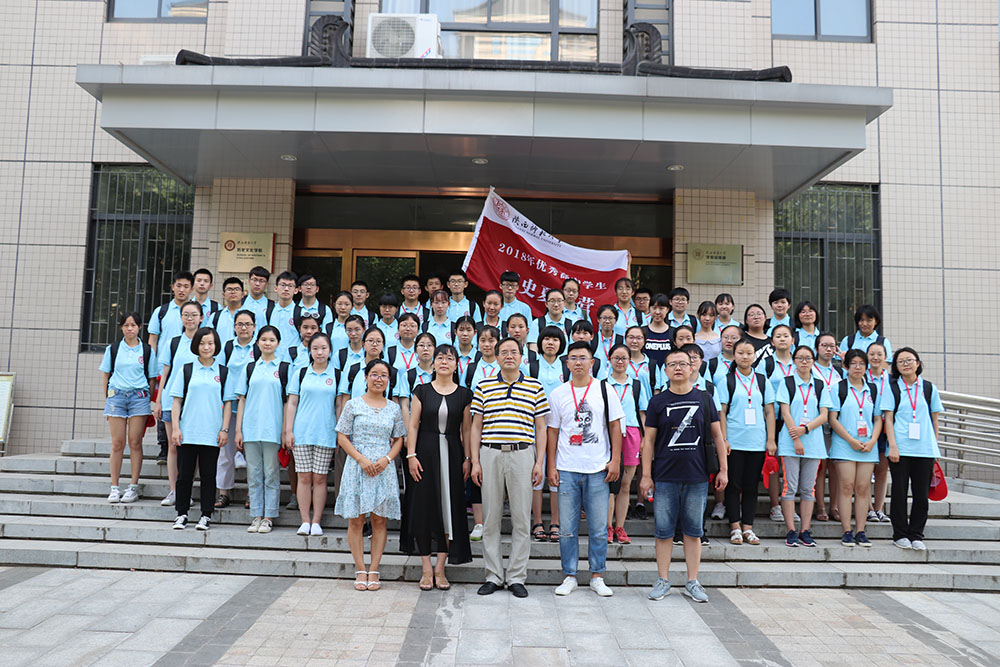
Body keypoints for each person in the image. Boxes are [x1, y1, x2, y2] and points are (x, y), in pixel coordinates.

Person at [640, 349, 727, 603]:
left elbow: (717, 436)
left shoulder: (704, 398)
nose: (677, 368)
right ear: (665, 370)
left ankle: (692, 581)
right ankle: (663, 579)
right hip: (665, 475)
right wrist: (646, 475)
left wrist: (723, 469)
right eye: (672, 364)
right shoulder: (657, 402)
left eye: (682, 363)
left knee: (693, 530)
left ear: (692, 368)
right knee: (663, 531)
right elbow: (649, 441)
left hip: (696, 475)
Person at [470, 337, 550, 598]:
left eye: (513, 352)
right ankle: (493, 575)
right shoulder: (484, 386)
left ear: (521, 356)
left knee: (521, 519)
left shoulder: (535, 387)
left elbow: (541, 427)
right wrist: (475, 461)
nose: (508, 356)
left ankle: (516, 577)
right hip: (490, 453)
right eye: (503, 352)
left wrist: (539, 461)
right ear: (496, 356)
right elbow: (476, 426)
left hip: (522, 454)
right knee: (490, 519)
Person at [547, 341, 622, 597]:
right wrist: (551, 466)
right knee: (567, 528)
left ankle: (597, 575)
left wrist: (615, 460)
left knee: (599, 527)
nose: (578, 362)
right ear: (566, 363)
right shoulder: (558, 394)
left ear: (592, 362)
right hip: (567, 468)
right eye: (573, 358)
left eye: (583, 357)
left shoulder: (605, 390)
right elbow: (553, 432)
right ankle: (569, 575)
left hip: (598, 468)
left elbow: (615, 426)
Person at [401, 344, 474, 590]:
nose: (444, 361)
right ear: (433, 364)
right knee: (424, 509)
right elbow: (413, 425)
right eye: (440, 357)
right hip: (424, 453)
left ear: (456, 365)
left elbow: (466, 430)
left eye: (449, 358)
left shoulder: (464, 394)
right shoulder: (421, 390)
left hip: (453, 453)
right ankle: (426, 569)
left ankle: (440, 569)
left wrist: (467, 458)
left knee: (449, 510)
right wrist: (411, 455)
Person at [336, 359, 407, 591]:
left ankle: (374, 569)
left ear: (389, 380)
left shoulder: (394, 408)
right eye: (374, 374)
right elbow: (342, 436)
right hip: (358, 466)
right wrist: (361, 459)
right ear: (366, 378)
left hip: (382, 468)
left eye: (383, 375)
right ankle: (360, 569)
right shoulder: (353, 405)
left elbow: (399, 439)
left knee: (379, 519)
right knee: (356, 520)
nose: (378, 379)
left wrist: (386, 459)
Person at [169, 327, 234, 531]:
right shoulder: (187, 369)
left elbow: (228, 403)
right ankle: (181, 514)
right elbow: (177, 401)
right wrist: (175, 428)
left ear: (216, 346)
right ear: (196, 345)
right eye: (202, 343)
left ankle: (206, 514)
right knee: (184, 475)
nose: (206, 347)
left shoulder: (223, 372)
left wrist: (224, 429)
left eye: (210, 343)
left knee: (208, 475)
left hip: (211, 433)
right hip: (187, 432)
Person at [881, 347, 943, 551]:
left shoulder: (929, 388)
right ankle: (900, 534)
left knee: (921, 495)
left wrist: (934, 447)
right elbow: (888, 419)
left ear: (917, 363)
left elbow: (934, 420)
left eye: (909, 360)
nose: (906, 364)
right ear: (896, 367)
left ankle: (916, 534)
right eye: (901, 361)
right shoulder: (892, 388)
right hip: (900, 449)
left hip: (924, 449)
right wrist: (893, 446)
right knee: (899, 493)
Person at [717, 338, 776, 546]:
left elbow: (769, 412)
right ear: (734, 355)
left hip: (757, 441)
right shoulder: (727, 380)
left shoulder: (762, 380)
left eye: (749, 353)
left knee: (751, 486)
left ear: (754, 356)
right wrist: (724, 439)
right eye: (740, 353)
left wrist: (771, 439)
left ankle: (748, 528)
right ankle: (735, 527)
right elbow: (722, 413)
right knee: (733, 485)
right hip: (734, 441)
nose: (745, 356)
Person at [775, 345, 831, 548]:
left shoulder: (819, 385)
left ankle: (805, 531)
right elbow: (785, 412)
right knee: (789, 487)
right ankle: (791, 530)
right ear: (794, 361)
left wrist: (805, 429)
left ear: (813, 361)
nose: (804, 361)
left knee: (808, 488)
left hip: (813, 443)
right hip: (790, 443)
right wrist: (796, 437)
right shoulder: (787, 382)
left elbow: (824, 415)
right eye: (800, 358)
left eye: (808, 358)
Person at [284, 333, 339, 537]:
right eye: (315, 348)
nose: (319, 352)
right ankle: (305, 520)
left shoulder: (337, 374)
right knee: (304, 477)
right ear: (309, 351)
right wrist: (288, 430)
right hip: (302, 432)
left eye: (323, 348)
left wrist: (340, 433)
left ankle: (316, 521)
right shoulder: (300, 373)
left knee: (320, 478)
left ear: (330, 350)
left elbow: (339, 405)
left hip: (326, 432)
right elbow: (292, 403)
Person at [235, 325, 288, 535]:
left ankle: (269, 516)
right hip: (251, 429)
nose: (267, 343)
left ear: (278, 343)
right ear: (257, 342)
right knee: (254, 474)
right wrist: (238, 430)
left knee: (271, 474)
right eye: (264, 339)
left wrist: (285, 430)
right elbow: (242, 399)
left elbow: (287, 402)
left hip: (272, 429)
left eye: (272, 340)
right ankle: (256, 515)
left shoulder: (284, 368)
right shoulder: (250, 368)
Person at [100, 312, 156, 504]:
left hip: (139, 398)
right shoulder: (113, 349)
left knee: (135, 442)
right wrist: (108, 399)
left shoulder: (147, 350)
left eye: (133, 325)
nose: (130, 328)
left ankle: (133, 487)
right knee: (117, 443)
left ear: (139, 327)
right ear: (121, 327)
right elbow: (106, 375)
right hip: (116, 397)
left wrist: (147, 399)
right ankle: (114, 487)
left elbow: (152, 378)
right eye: (126, 325)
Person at [829, 349, 883, 547]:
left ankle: (861, 530)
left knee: (862, 488)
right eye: (854, 363)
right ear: (846, 366)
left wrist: (873, 440)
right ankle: (846, 531)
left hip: (868, 446)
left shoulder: (873, 390)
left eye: (862, 363)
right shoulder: (838, 388)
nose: (858, 367)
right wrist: (850, 440)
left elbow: (878, 418)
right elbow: (832, 419)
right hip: (845, 444)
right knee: (846, 486)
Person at [152, 301, 203, 507]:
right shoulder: (173, 342)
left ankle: (186, 490)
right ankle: (174, 490)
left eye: (194, 315)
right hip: (171, 400)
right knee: (174, 446)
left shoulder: (205, 342)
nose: (189, 318)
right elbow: (164, 374)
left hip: (196, 402)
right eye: (186, 315)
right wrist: (158, 401)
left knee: (191, 449)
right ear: (181, 318)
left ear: (201, 318)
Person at [149, 271, 194, 465]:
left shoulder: (195, 311)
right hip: (165, 366)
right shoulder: (162, 311)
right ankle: (164, 446)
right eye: (179, 286)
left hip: (188, 367)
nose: (182, 289)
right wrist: (151, 365)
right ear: (172, 287)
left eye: (186, 286)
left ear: (191, 289)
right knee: (164, 407)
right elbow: (153, 339)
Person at [527, 326, 567, 543]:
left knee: (556, 476)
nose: (550, 343)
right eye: (547, 339)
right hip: (535, 428)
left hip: (561, 430)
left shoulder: (566, 367)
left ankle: (556, 522)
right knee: (537, 475)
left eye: (555, 339)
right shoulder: (531, 366)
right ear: (540, 342)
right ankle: (537, 522)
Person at [606, 343, 648, 545]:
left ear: (630, 361)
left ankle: (620, 527)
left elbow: (643, 413)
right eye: (616, 358)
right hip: (608, 432)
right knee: (608, 483)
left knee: (625, 484)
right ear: (609, 360)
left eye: (624, 358)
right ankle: (607, 526)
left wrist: (645, 438)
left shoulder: (636, 385)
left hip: (631, 433)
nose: (620, 362)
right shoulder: (603, 384)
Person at [216, 309, 257, 510]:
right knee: (226, 453)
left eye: (247, 324)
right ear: (234, 327)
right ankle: (224, 493)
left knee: (252, 454)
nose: (243, 328)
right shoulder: (227, 347)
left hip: (252, 406)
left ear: (254, 327)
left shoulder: (258, 348)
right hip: (229, 406)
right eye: (240, 324)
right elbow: (220, 373)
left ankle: (252, 493)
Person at [812, 332, 842, 522]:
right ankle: (821, 506)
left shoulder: (839, 372)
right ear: (817, 348)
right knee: (820, 467)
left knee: (835, 467)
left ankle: (835, 506)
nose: (829, 349)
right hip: (817, 422)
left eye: (832, 346)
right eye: (824, 345)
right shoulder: (810, 369)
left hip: (836, 423)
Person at [866, 342, 891, 523]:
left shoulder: (892, 380)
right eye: (872, 354)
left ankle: (879, 508)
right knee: (866, 471)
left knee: (882, 470)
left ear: (885, 357)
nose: (875, 358)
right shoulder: (861, 376)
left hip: (886, 428)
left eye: (879, 354)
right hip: (866, 427)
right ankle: (868, 508)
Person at [267, 271, 300, 358]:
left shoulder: (300, 313)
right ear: (275, 288)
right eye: (283, 285)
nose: (286, 289)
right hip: (272, 359)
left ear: (296, 290)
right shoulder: (268, 311)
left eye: (290, 286)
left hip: (293, 360)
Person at [212, 277, 248, 344]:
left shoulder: (250, 316)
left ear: (242, 294)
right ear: (223, 294)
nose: (233, 292)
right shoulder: (215, 316)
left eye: (237, 289)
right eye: (229, 289)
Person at [642, 293, 673, 370]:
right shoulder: (642, 331)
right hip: (646, 372)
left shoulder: (674, 332)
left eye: (661, 308)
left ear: (667, 310)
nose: (657, 312)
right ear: (649, 308)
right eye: (654, 308)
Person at [394, 313, 420, 377]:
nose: (408, 329)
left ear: (418, 331)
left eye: (412, 326)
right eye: (404, 325)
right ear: (398, 329)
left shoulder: (421, 351)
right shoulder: (390, 351)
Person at [454, 316, 479, 381]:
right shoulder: (451, 355)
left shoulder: (480, 357)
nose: (465, 334)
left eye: (469, 330)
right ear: (455, 332)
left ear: (475, 332)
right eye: (461, 330)